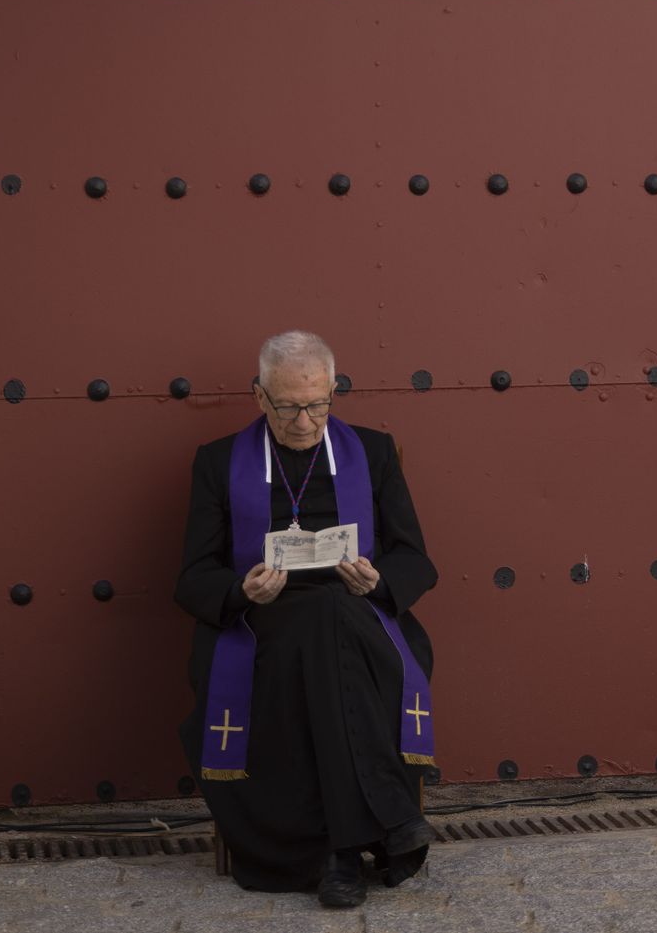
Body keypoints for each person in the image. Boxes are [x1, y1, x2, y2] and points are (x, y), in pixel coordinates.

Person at [175, 330, 438, 908]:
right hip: (260, 625)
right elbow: (193, 578)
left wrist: (382, 581)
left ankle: (338, 855)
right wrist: (241, 590)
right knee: (319, 622)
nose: (304, 421)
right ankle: (383, 824)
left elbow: (415, 559)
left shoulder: (371, 452)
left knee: (330, 617)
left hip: (364, 619)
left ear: (332, 392)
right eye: (289, 406)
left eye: (318, 404)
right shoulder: (219, 464)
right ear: (259, 396)